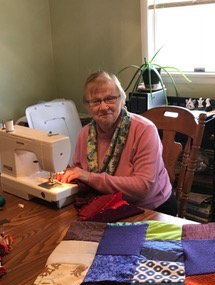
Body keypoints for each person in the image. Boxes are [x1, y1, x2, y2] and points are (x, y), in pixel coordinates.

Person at [56, 70, 177, 216]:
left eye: (110, 98)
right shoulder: (85, 134)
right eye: (95, 101)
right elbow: (79, 174)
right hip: (107, 205)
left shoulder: (145, 130)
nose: (103, 107)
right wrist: (67, 176)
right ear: (87, 106)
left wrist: (89, 177)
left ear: (122, 99)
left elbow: (143, 187)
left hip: (149, 209)